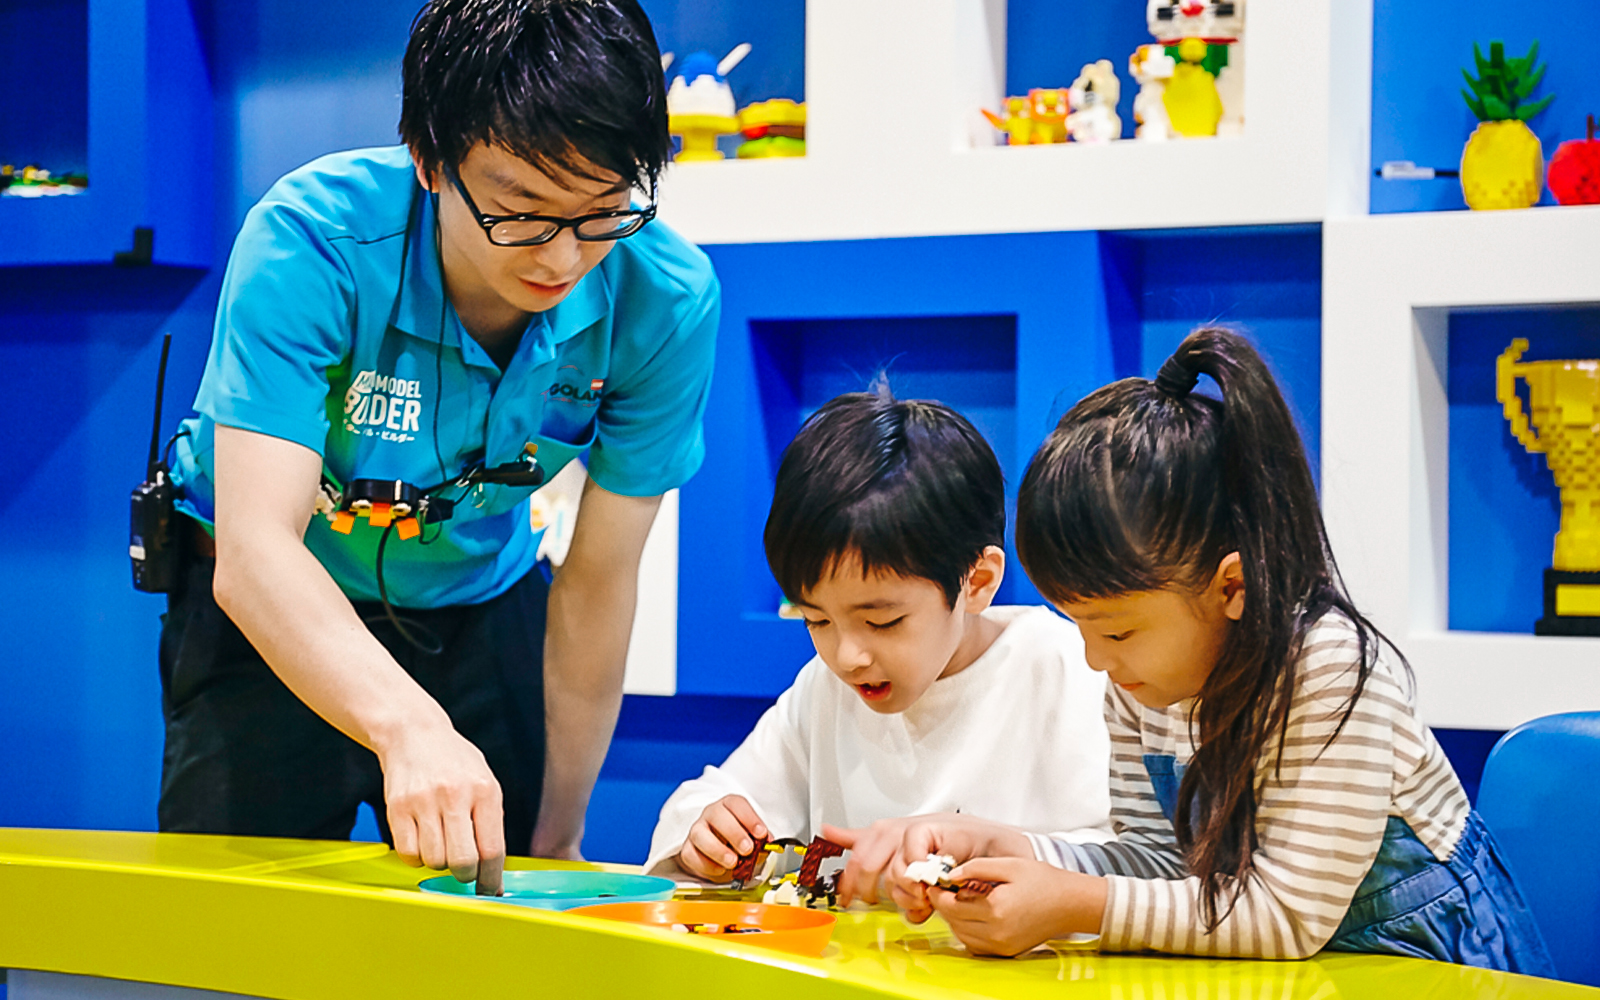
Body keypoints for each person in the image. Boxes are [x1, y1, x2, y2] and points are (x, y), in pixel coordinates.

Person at [160, 0, 718, 895]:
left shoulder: (666, 297)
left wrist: (560, 832)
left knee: (498, 908)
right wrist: (409, 730)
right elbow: (255, 550)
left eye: (603, 213)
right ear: (428, 157)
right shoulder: (313, 240)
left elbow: (600, 577)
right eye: (523, 211)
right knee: (242, 917)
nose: (565, 256)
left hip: (480, 605)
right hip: (277, 609)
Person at [849, 328, 1553, 974]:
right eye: (1080, 625)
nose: (1095, 661)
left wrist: (1073, 903)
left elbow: (1286, 915)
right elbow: (1164, 866)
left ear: (1232, 585)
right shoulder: (1141, 681)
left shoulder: (1329, 669)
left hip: (1432, 965)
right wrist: (1018, 853)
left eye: (1117, 631)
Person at [644, 388, 1111, 892]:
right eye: (816, 620)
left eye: (883, 621)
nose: (847, 657)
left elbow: (1131, 863)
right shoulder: (824, 689)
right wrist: (709, 836)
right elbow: (718, 801)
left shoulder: (1067, 670)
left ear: (976, 582)